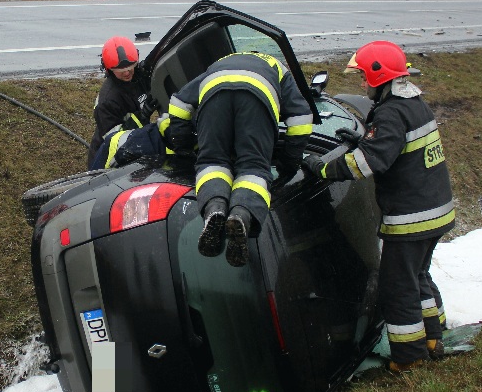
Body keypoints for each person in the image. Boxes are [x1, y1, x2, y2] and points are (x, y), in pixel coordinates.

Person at [301, 41, 454, 373]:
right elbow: (394, 148)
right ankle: (434, 336)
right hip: (436, 212)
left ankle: (410, 357)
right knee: (418, 275)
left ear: (378, 75)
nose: (361, 84)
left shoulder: (390, 113)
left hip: (411, 218)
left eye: (362, 77)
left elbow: (367, 164)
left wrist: (324, 168)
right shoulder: (414, 105)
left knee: (397, 286)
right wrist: (365, 138)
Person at [165, 51, 314, 267]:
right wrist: (290, 161)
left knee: (212, 164)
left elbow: (179, 102)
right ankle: (241, 215)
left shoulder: (219, 63)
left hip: (214, 96)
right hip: (256, 100)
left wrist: (183, 144)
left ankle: (214, 208)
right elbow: (301, 118)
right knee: (253, 168)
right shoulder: (278, 68)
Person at [86, 36, 156, 167]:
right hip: (109, 158)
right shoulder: (107, 101)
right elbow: (115, 140)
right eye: (120, 71)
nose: (127, 73)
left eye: (131, 67)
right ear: (109, 70)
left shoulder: (139, 76)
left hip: (136, 143)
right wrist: (142, 116)